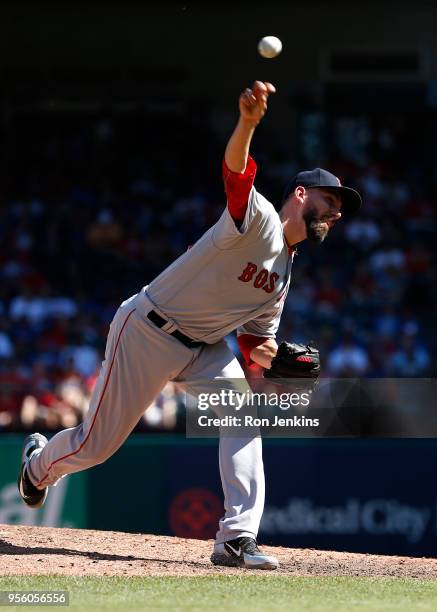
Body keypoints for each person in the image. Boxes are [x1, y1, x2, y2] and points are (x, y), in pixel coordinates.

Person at [18, 81, 362, 570]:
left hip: (203, 348)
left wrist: (282, 357)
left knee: (242, 414)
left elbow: (255, 342)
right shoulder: (259, 218)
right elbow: (236, 173)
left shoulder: (285, 274)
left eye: (341, 209)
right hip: (147, 329)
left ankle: (236, 540)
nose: (337, 212)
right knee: (97, 446)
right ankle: (37, 466)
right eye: (331, 201)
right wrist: (246, 123)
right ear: (301, 194)